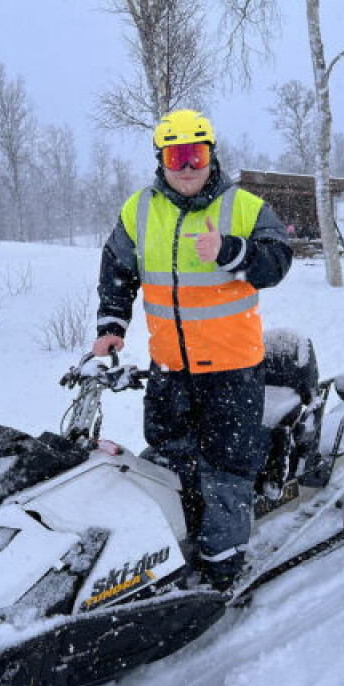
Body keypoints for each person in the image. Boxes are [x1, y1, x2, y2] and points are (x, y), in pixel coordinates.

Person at [92, 109, 293, 590]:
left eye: (195, 154)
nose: (186, 166)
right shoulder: (139, 210)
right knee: (169, 460)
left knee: (225, 468)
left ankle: (222, 567)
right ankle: (172, 547)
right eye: (176, 156)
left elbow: (278, 261)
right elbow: (118, 270)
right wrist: (112, 324)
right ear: (161, 161)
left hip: (232, 370)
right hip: (170, 370)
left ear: (211, 156)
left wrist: (232, 251)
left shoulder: (243, 206)